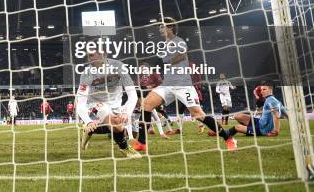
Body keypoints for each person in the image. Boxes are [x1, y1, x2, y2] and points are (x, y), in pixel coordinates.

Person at [133, 18, 237, 152]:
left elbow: (182, 56)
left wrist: (167, 62)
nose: (160, 29)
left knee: (198, 114)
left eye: (162, 26)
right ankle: (142, 142)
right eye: (159, 27)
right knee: (146, 105)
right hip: (168, 84)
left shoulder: (178, 41)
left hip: (183, 85)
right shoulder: (165, 43)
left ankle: (228, 138)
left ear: (170, 28)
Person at [78, 50, 140, 158]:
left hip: (116, 105)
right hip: (95, 104)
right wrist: (88, 121)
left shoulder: (119, 66)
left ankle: (88, 130)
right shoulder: (86, 73)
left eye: (92, 55)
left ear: (103, 54)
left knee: (117, 126)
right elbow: (81, 103)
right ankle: (125, 148)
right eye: (88, 56)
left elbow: (133, 94)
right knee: (114, 121)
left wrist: (126, 113)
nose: (89, 59)